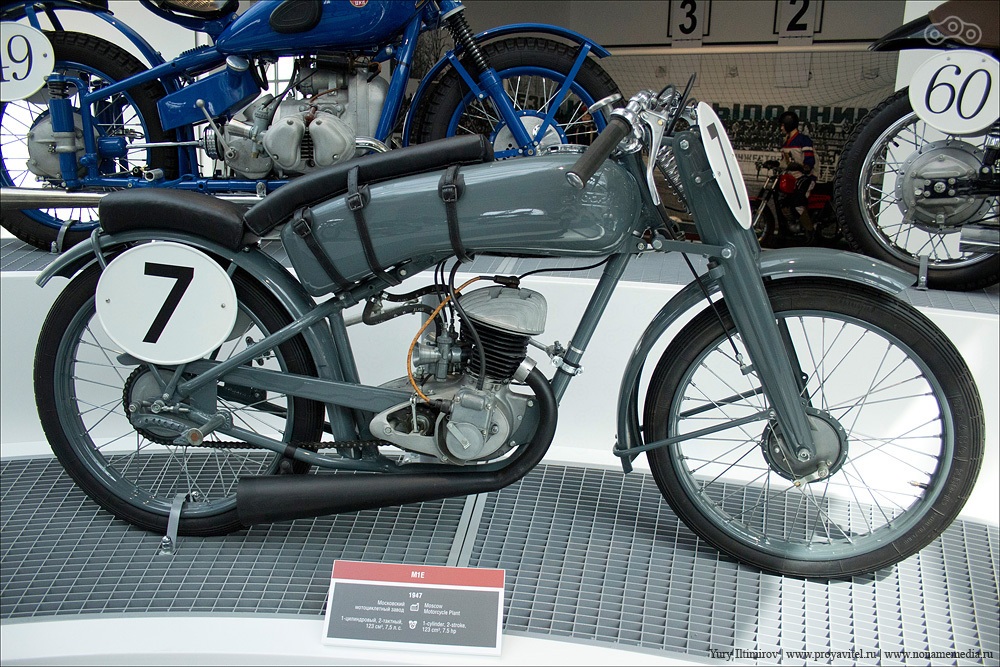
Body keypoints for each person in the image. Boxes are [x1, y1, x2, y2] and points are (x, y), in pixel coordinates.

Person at [777, 111, 816, 234]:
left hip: (805, 178)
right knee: (783, 200)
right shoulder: (786, 141)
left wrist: (800, 167)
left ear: (789, 124)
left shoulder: (803, 140)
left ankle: (810, 231)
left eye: (782, 125)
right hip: (792, 179)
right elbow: (785, 162)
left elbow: (810, 162)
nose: (781, 128)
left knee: (798, 203)